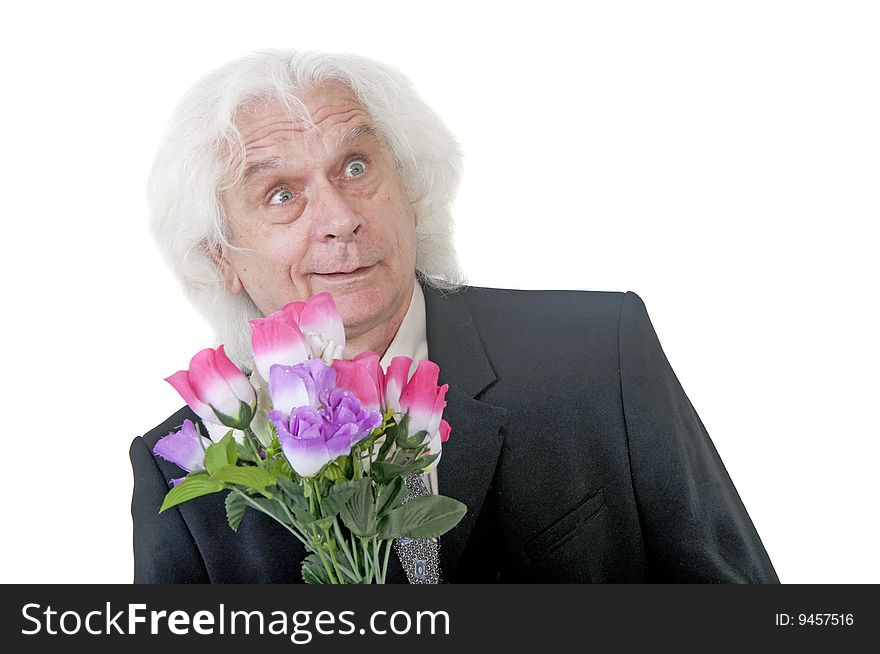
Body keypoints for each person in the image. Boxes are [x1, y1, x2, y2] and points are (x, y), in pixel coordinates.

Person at [131, 49, 779, 583]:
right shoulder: (188, 466)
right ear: (223, 259)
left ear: (410, 189)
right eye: (281, 194)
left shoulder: (598, 355)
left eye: (356, 167)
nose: (340, 217)